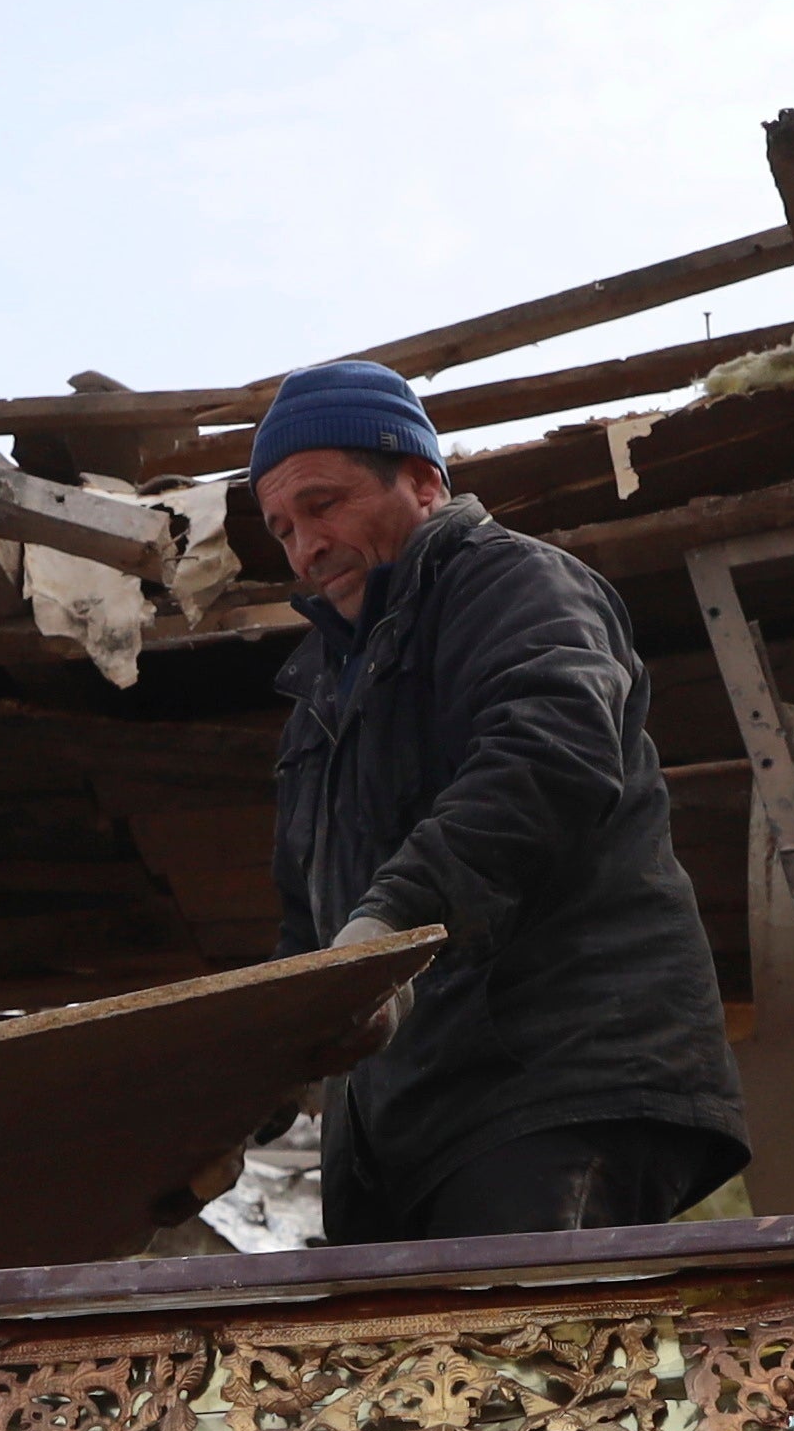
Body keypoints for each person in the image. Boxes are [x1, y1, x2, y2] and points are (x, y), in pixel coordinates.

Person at [250, 356, 749, 1241]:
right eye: (282, 527)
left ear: (422, 481)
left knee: (537, 1376)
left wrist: (391, 924)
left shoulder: (511, 583)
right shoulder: (319, 698)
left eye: (323, 504)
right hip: (399, 1145)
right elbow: (310, 931)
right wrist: (242, 1088)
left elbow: (549, 754)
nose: (305, 547)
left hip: (549, 1089)